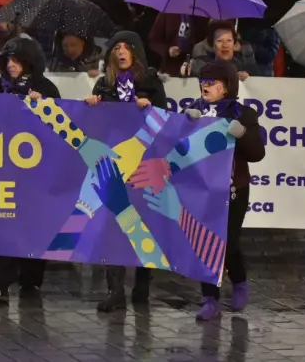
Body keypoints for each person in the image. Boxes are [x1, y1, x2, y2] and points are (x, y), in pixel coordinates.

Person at [87, 31, 166, 311]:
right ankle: (115, 290)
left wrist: (149, 108)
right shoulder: (103, 85)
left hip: (143, 164)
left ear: (135, 52)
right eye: (116, 47)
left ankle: (142, 283)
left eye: (126, 47)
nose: (120, 52)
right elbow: (94, 129)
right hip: (112, 164)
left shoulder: (150, 81)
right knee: (112, 224)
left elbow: (164, 119)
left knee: (142, 221)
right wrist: (93, 107)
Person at [0, 36, 60, 303]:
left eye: (17, 61)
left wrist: (44, 105)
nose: (11, 66)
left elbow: (59, 128)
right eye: (8, 60)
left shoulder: (45, 88)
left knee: (34, 225)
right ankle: (0, 282)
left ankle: (31, 279)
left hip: (36, 174)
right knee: (3, 224)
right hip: (4, 172)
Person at [183, 61, 265, 320]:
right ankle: (210, 298)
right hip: (203, 188)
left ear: (227, 86)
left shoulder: (244, 114)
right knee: (204, 242)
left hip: (233, 188)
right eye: (203, 81)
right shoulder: (195, 110)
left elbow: (257, 154)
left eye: (212, 82)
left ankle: (239, 281)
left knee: (227, 242)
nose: (205, 86)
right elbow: (179, 150)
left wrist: (242, 135)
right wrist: (186, 126)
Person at [182, 20, 262, 79]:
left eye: (229, 40)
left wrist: (248, 78)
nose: (225, 45)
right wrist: (183, 73)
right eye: (219, 41)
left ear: (234, 44)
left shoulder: (240, 65)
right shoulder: (198, 64)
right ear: (212, 44)